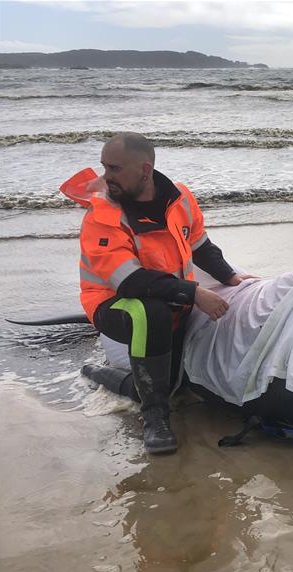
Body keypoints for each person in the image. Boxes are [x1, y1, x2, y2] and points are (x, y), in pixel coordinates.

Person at [61, 132, 253, 455]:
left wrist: (231, 277)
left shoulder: (179, 199)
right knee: (151, 313)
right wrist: (194, 294)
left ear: (145, 170)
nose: (105, 177)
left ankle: (146, 386)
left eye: (115, 169)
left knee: (173, 381)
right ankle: (154, 417)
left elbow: (201, 246)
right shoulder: (103, 216)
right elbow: (129, 282)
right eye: (104, 167)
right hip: (113, 302)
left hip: (169, 296)